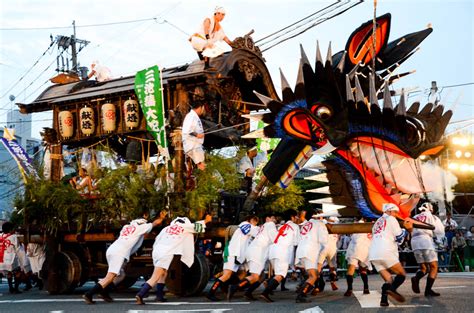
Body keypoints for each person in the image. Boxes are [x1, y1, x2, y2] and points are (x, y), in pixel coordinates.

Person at [83, 210, 167, 304]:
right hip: (119, 253)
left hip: (112, 249)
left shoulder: (126, 226)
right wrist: (162, 218)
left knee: (120, 275)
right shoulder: (141, 227)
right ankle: (89, 294)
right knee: (110, 276)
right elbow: (155, 223)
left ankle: (104, 292)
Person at [135, 214, 212, 304]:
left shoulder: (166, 229)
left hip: (157, 251)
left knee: (163, 273)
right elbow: (197, 227)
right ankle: (140, 294)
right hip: (167, 252)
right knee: (156, 276)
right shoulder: (184, 227)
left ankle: (159, 296)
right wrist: (206, 220)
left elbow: (157, 239)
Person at [369, 203, 413, 307]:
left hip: (373, 254)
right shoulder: (391, 219)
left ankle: (384, 300)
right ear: (389, 211)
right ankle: (392, 290)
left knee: (389, 279)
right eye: (395, 212)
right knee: (401, 274)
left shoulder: (377, 223)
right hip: (386, 251)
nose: (396, 214)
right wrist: (407, 229)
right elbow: (400, 239)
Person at [206, 215, 259, 301]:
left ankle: (231, 287)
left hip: (237, 254)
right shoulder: (246, 225)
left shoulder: (245, 227)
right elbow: (257, 232)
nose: (255, 223)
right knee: (226, 275)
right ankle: (211, 293)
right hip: (233, 253)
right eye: (255, 221)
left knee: (242, 273)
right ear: (250, 220)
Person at [227, 213, 277, 301]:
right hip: (257, 253)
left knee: (260, 277)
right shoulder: (270, 225)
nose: (274, 220)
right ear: (267, 218)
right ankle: (234, 287)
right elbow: (276, 239)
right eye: (273, 218)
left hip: (254, 252)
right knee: (255, 277)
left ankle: (248, 293)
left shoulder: (263, 227)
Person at [260, 209, 300, 302]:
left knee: (277, 274)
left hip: (273, 250)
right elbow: (297, 242)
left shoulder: (281, 226)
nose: (296, 218)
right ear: (292, 217)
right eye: (296, 216)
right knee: (280, 274)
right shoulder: (294, 226)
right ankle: (265, 293)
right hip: (283, 251)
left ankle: (268, 282)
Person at [410, 202, 445, 297]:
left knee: (423, 268)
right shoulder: (432, 217)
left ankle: (416, 278)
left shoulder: (415, 217)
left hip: (414, 242)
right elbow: (439, 231)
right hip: (426, 241)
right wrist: (441, 243)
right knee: (434, 267)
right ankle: (428, 290)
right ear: (430, 209)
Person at [294, 209, 329, 303]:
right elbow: (324, 240)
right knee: (313, 276)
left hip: (301, 251)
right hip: (311, 251)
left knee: (310, 275)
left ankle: (301, 292)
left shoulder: (305, 224)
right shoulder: (319, 224)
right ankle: (301, 295)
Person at [343, 218, 372, 297]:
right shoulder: (373, 225)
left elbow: (352, 236)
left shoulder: (359, 223)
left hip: (355, 248)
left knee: (351, 269)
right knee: (363, 269)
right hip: (366, 248)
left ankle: (349, 289)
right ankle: (366, 288)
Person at [0, 222, 28, 294]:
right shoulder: (14, 237)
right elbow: (18, 248)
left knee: (8, 273)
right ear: (10, 229)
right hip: (12, 257)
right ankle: (16, 288)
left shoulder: (1, 236)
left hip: (2, 258)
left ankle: (10, 288)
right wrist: (23, 259)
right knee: (17, 272)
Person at [316, 216, 339, 293]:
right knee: (332, 268)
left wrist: (323, 218)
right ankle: (333, 281)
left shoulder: (323, 223)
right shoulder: (337, 226)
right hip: (333, 248)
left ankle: (317, 286)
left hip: (323, 247)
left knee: (318, 267)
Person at [182, 101, 206, 171]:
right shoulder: (191, 116)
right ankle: (204, 180)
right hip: (193, 146)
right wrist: (197, 134)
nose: (203, 110)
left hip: (195, 145)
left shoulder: (193, 116)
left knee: (201, 165)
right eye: (203, 108)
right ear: (200, 107)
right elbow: (187, 130)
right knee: (202, 167)